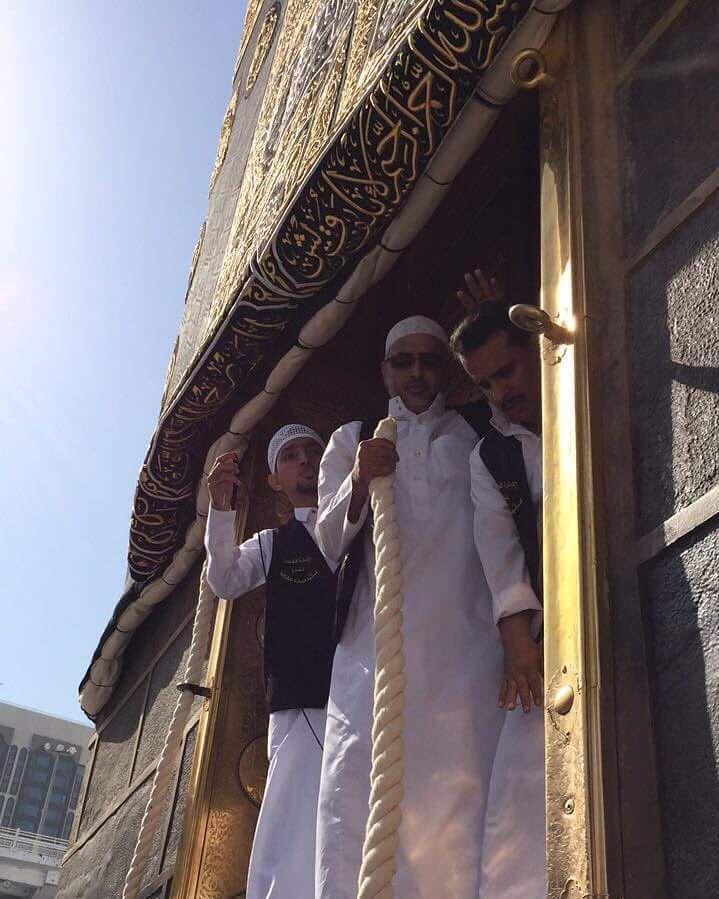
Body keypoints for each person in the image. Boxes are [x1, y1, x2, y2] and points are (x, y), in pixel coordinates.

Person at [314, 315, 507, 899]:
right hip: (372, 659)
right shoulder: (352, 440)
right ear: (385, 371)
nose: (417, 373)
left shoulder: (471, 436)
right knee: (357, 799)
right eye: (404, 362)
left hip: (462, 657)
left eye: (429, 360)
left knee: (455, 803)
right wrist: (357, 481)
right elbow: (326, 541)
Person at [204, 424, 336, 899]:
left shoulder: (364, 524)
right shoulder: (271, 544)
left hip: (362, 697)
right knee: (295, 822)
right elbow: (225, 579)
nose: (305, 461)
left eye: (313, 452)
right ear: (275, 479)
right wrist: (221, 510)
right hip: (300, 703)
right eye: (292, 456)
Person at [450, 286, 545, 899]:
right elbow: (499, 556)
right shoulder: (490, 456)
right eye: (484, 386)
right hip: (547, 630)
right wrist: (519, 647)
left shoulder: (591, 386)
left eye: (506, 371)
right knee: (519, 792)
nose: (500, 394)